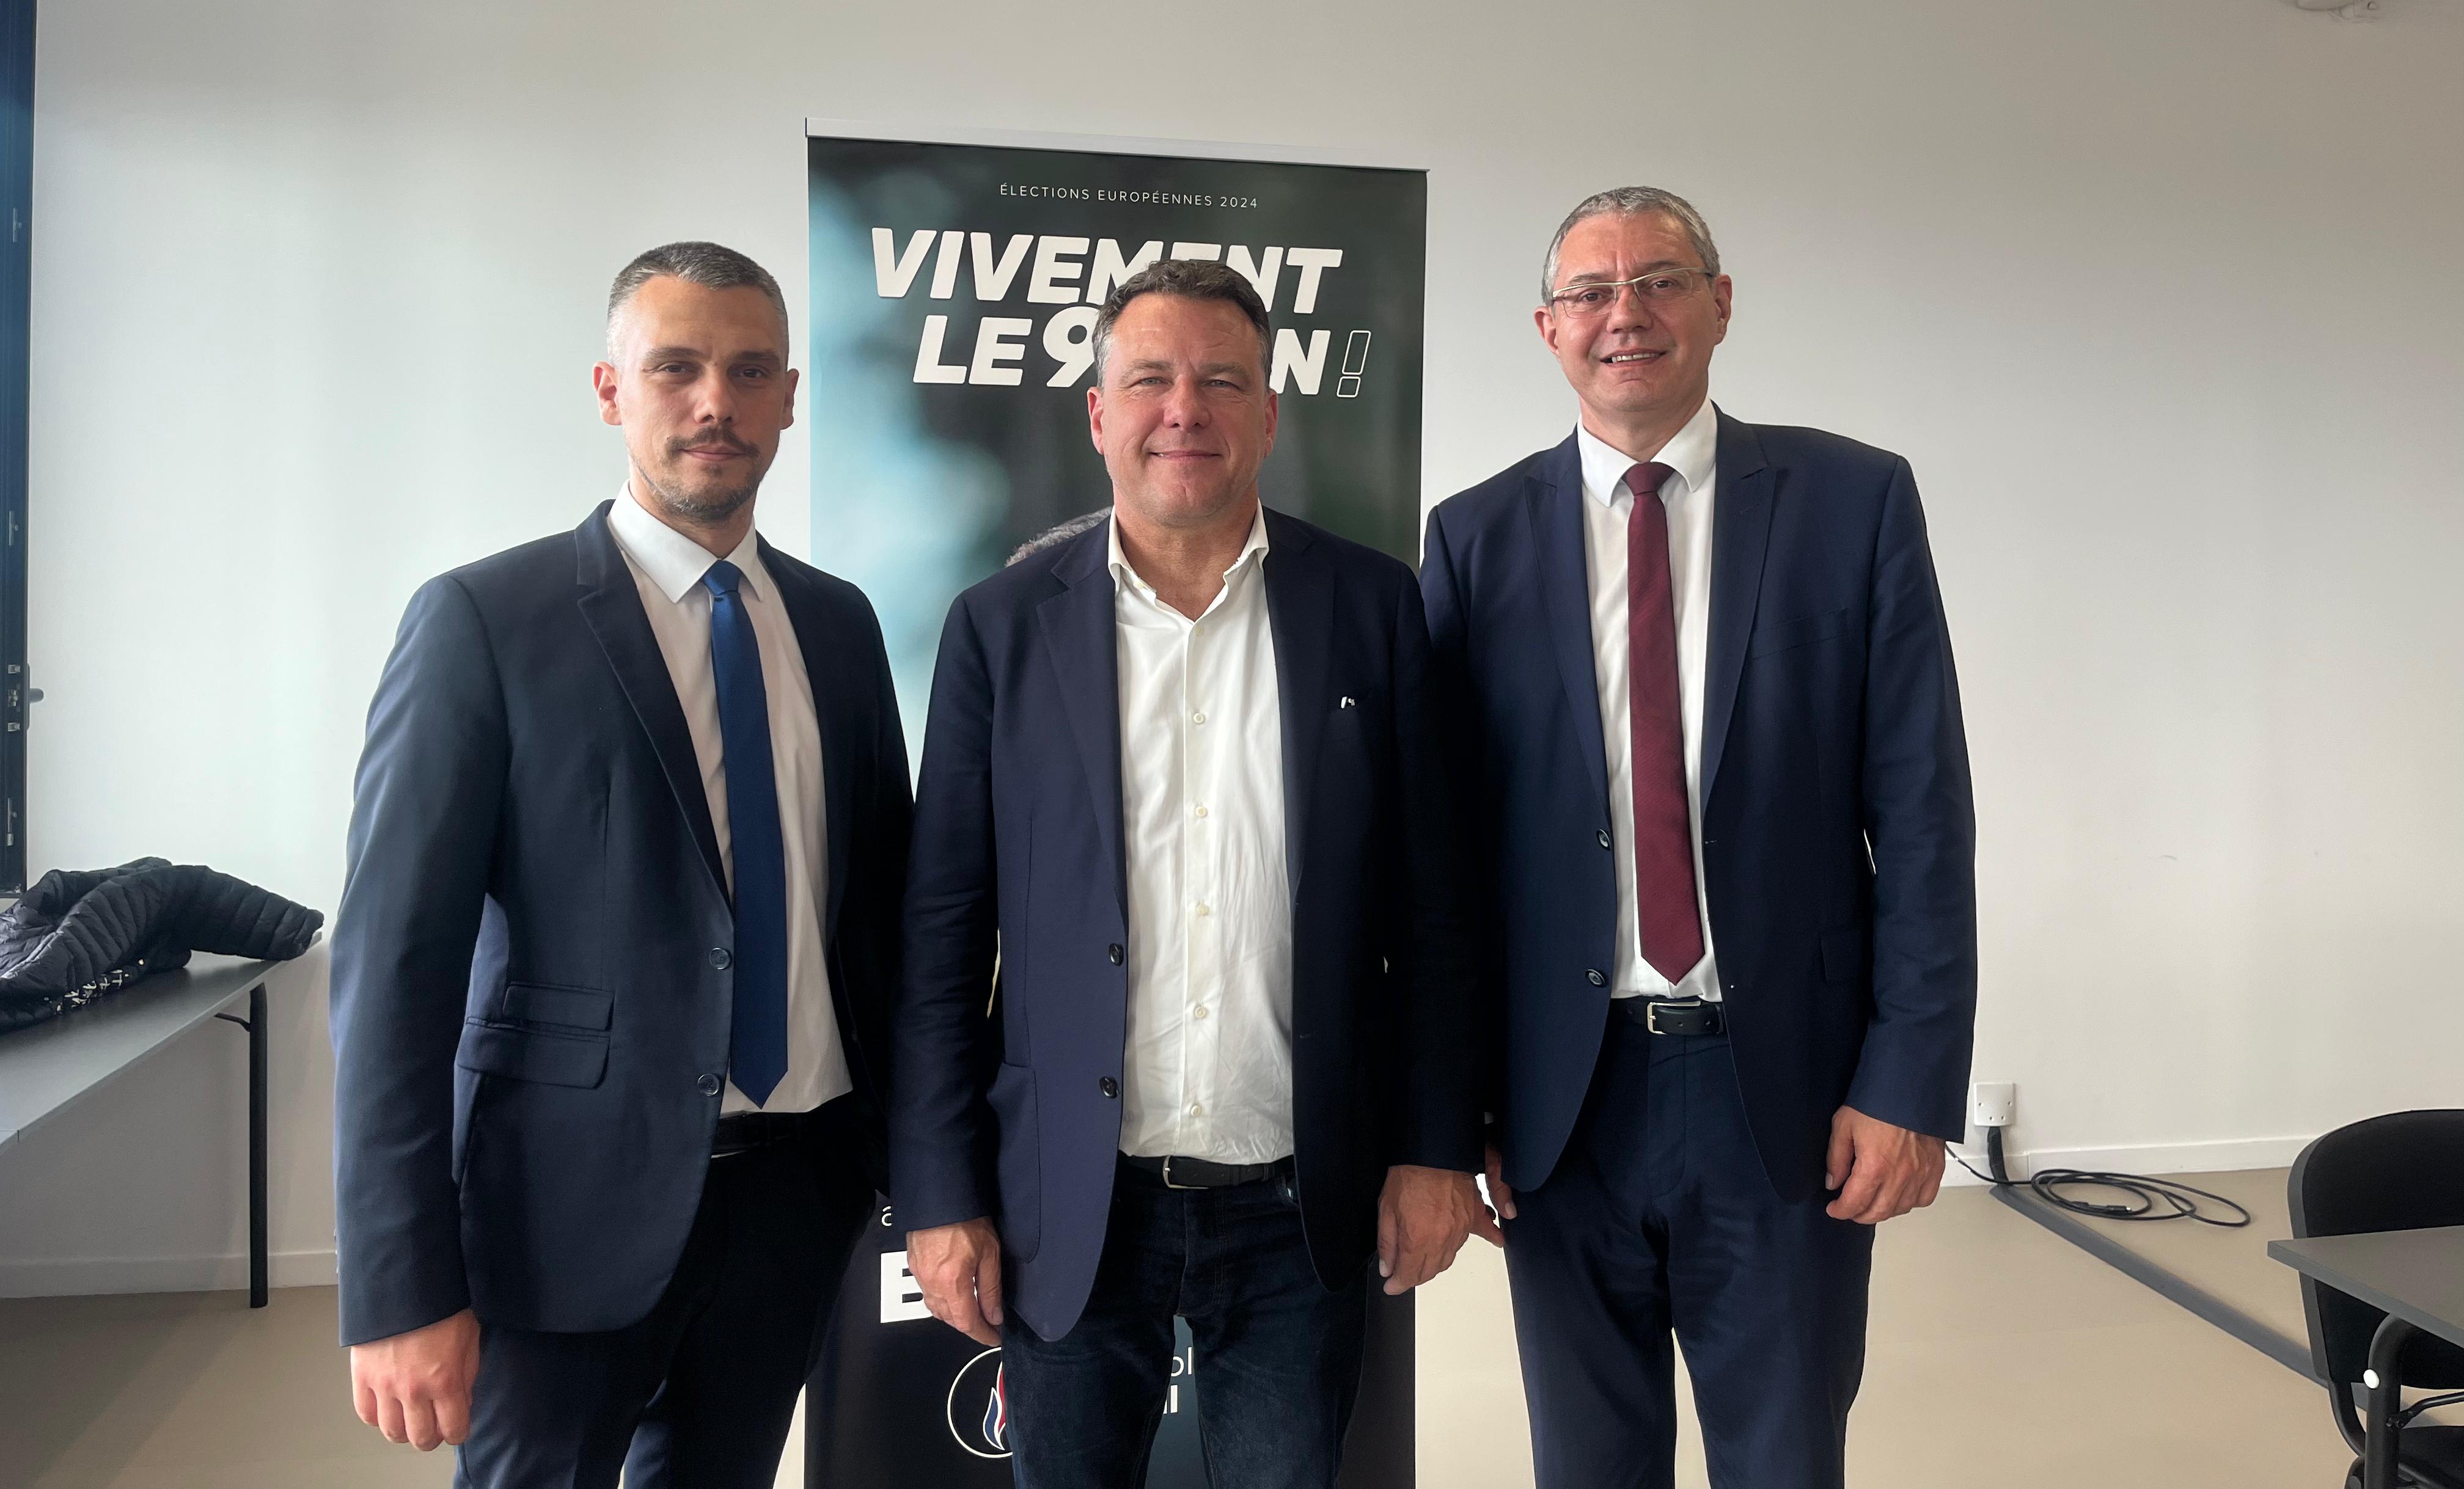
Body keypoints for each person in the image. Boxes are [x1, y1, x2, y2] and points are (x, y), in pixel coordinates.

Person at [893, 258, 1486, 1488]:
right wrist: (940, 1197)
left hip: (1299, 1202)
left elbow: (1436, 911)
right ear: (1098, 414)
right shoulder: (999, 627)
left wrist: (1438, 1150)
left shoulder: (1372, 608)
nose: (1185, 409)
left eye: (1221, 381)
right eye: (1149, 380)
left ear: (1268, 414)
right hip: (1068, 1201)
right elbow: (941, 939)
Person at [1421, 188, 1976, 1489]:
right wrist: (1451, 1112)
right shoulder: (1474, 538)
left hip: (1783, 1088)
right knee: (1588, 1464)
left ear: (1720, 305)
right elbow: (1442, 865)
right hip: (1562, 1101)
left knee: (1785, 1458)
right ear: (1549, 328)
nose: (1627, 314)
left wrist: (1908, 1081)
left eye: (1661, 281)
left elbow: (1924, 815)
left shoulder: (1853, 502)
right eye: (1592, 292)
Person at [331, 242, 911, 1487]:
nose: (716, 402)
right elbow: (393, 973)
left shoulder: (840, 626)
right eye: (676, 368)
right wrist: (396, 1283)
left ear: (791, 397)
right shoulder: (484, 621)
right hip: (560, 1212)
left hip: (796, 1199)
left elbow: (880, 926)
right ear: (610, 390)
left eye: (749, 372)